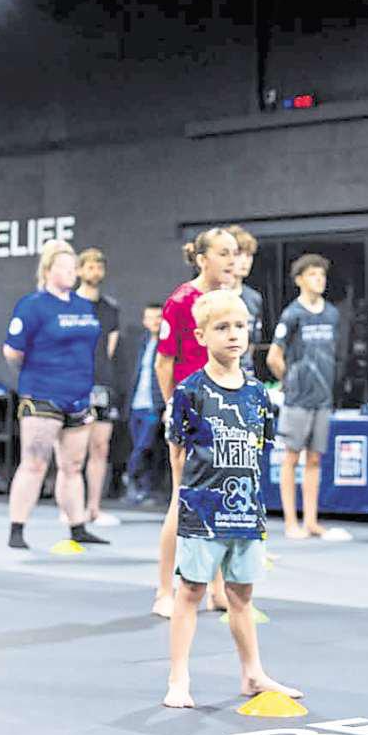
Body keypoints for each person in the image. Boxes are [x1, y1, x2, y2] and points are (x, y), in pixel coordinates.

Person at [161, 289, 297, 710]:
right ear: (201, 336)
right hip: (202, 511)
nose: (234, 335)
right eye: (222, 327)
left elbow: (260, 450)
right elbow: (178, 453)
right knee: (190, 591)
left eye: (240, 326)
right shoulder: (189, 391)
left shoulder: (257, 393)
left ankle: (252, 672)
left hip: (246, 512)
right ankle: (178, 678)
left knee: (241, 595)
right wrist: (184, 501)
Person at [151, 227, 240, 619]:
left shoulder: (231, 300)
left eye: (234, 253)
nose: (232, 260)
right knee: (183, 500)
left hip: (226, 410)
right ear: (202, 259)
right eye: (223, 253)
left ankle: (218, 589)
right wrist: (175, 407)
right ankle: (163, 591)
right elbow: (164, 363)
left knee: (221, 501)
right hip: (191, 410)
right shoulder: (181, 301)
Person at [4, 240, 107, 552]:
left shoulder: (83, 305)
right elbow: (12, 352)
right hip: (42, 395)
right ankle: (17, 529)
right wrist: (38, 374)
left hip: (78, 395)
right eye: (65, 267)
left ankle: (78, 527)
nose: (72, 272)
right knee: (34, 463)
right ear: (48, 270)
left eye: (73, 267)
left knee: (73, 466)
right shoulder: (32, 305)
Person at [269, 253, 346, 541]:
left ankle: (311, 521)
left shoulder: (332, 314)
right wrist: (289, 382)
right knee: (291, 457)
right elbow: (274, 356)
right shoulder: (292, 314)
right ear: (300, 280)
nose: (319, 280)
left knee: (315, 459)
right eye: (313, 275)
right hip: (298, 399)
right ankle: (291, 522)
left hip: (323, 398)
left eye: (322, 275)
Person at [74, 246, 123, 528]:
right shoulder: (69, 304)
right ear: (80, 270)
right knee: (74, 448)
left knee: (100, 446)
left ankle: (93, 508)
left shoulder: (110, 308)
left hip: (102, 383)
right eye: (90, 266)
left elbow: (110, 349)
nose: (95, 272)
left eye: (99, 267)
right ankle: (72, 508)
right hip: (73, 383)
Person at [121, 304, 166, 503]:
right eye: (150, 317)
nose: (155, 321)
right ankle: (143, 490)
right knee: (140, 447)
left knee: (144, 446)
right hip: (136, 404)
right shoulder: (142, 342)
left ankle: (130, 477)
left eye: (159, 317)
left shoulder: (167, 344)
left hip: (153, 405)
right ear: (144, 321)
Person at [227, 225, 264, 381]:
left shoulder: (254, 298)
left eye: (248, 255)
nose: (244, 261)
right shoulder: (211, 296)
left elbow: (253, 342)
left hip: (245, 374)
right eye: (238, 254)